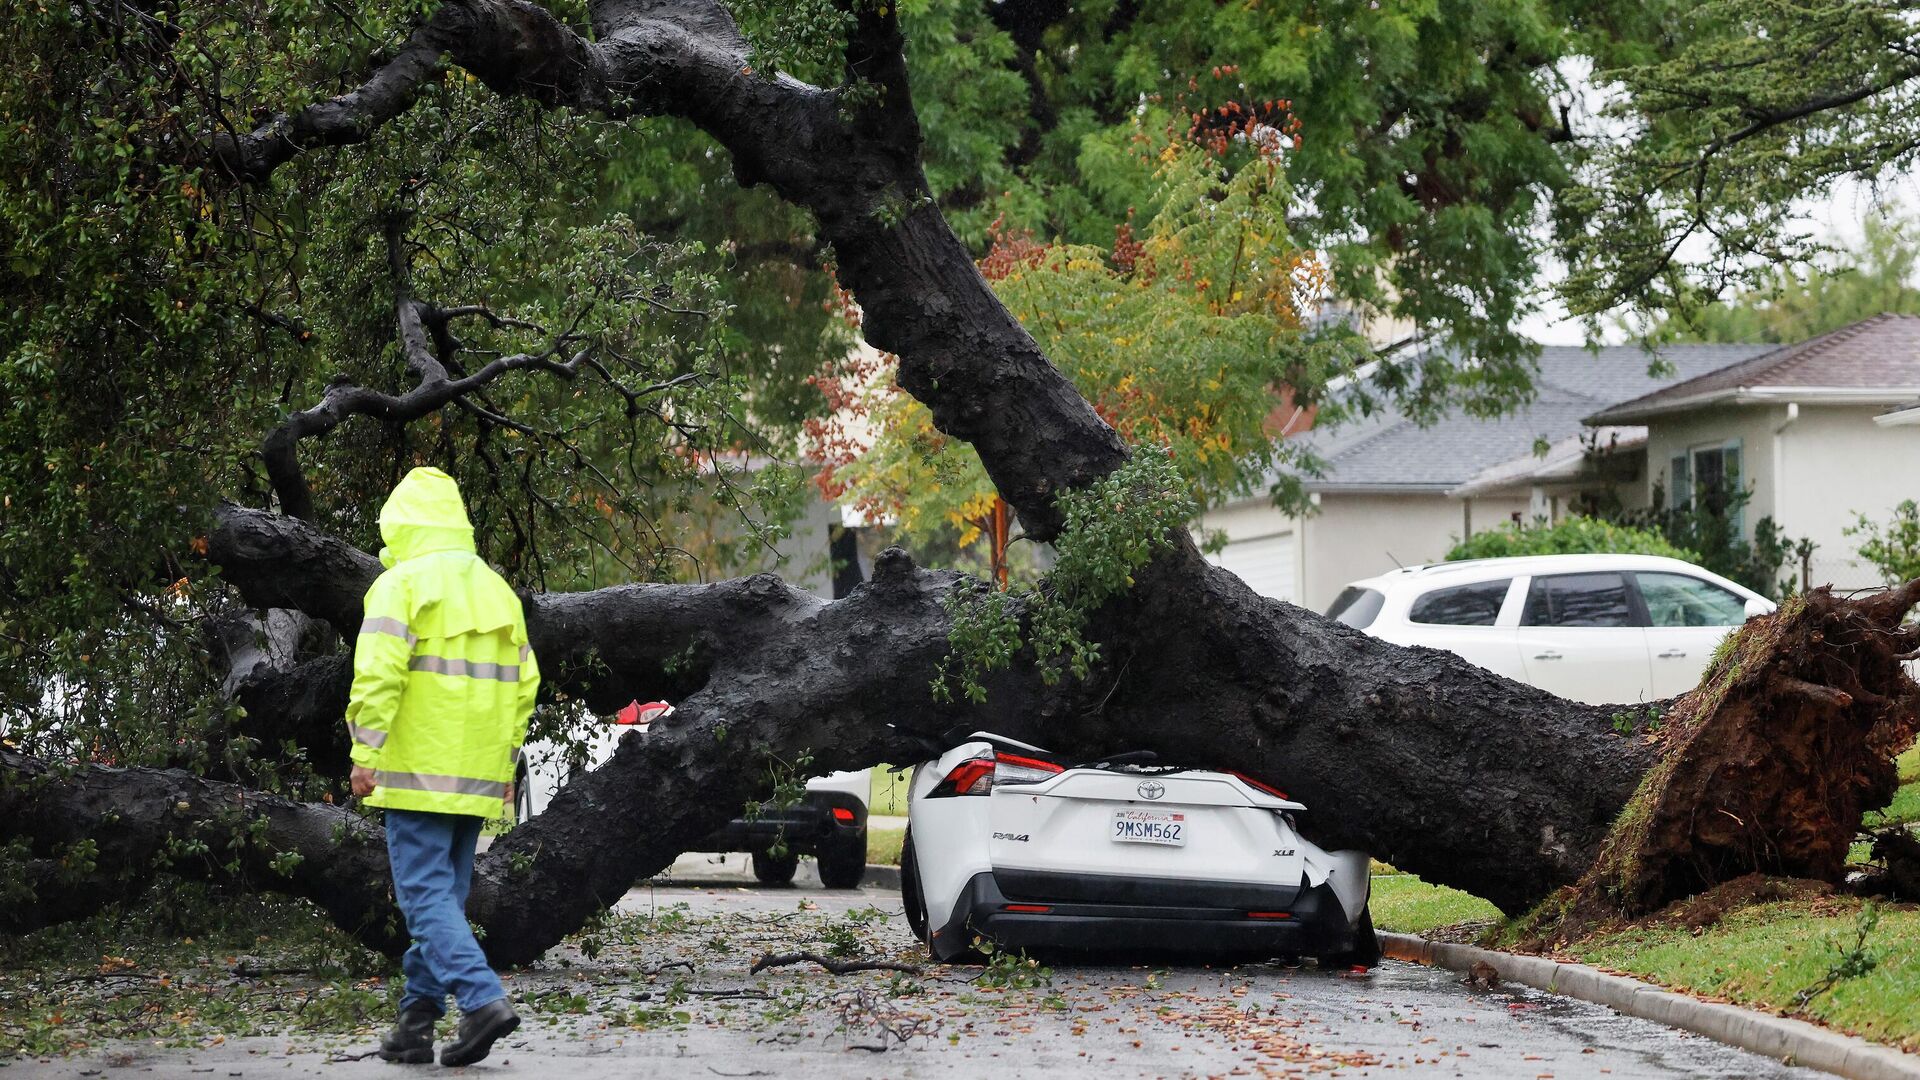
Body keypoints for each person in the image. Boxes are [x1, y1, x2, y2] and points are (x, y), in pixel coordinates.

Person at [345, 467, 538, 1066]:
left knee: (424, 898)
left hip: (416, 772)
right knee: (444, 901)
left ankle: (482, 1001)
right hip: (476, 777)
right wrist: (505, 762)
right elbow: (524, 685)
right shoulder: (497, 591)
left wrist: (364, 752)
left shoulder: (399, 585)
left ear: (399, 525)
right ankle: (416, 1023)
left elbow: (378, 675)